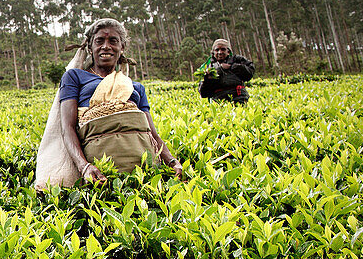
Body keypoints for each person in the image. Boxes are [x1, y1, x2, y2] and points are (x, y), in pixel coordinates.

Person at [35, 18, 182, 187]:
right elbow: (67, 127)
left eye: (113, 41)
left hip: (145, 170)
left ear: (122, 47)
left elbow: (153, 135)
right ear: (90, 47)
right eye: (99, 41)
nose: (106, 46)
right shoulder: (75, 77)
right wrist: (84, 167)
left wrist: (172, 162)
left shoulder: (135, 87)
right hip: (100, 172)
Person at [198, 39, 254, 103]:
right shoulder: (208, 67)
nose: (220, 52)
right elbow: (203, 93)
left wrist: (232, 66)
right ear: (213, 53)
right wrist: (208, 78)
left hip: (239, 97)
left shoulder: (237, 60)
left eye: (223, 49)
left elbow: (250, 73)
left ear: (228, 52)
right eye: (217, 50)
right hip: (219, 101)